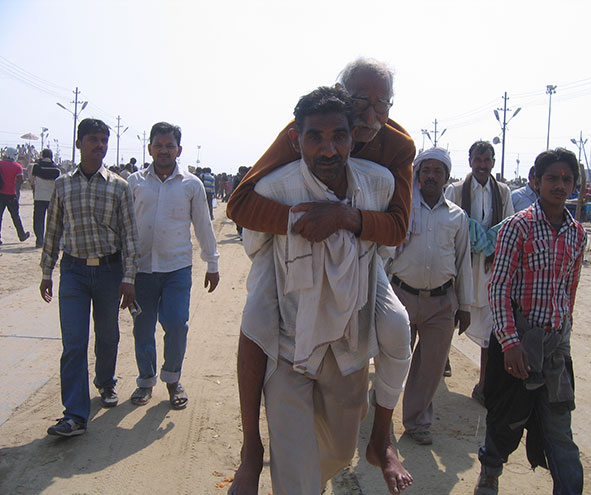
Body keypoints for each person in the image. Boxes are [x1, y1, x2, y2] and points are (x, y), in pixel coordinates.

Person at [227, 58, 415, 495]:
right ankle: (251, 452)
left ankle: (382, 437)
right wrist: (302, 221)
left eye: (381, 105)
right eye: (361, 103)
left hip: (362, 258)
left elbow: (398, 226)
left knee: (396, 326)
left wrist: (346, 217)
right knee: (256, 321)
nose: (371, 116)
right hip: (288, 258)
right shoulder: (299, 136)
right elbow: (240, 204)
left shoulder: (395, 153)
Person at [474, 148, 586, 495]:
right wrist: (510, 344)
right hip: (517, 346)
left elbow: (570, 288)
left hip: (553, 350)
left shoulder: (576, 233)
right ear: (536, 182)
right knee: (507, 422)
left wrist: (563, 335)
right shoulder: (516, 227)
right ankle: (490, 472)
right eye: (552, 178)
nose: (559, 185)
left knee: (559, 434)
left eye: (566, 179)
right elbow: (499, 287)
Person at [39, 118, 139, 437]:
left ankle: (106, 383)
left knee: (107, 335)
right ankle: (75, 414)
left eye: (103, 140)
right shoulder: (63, 184)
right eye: (93, 139)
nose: (99, 145)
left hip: (110, 271)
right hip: (73, 272)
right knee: (74, 343)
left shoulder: (119, 186)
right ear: (79, 143)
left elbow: (130, 235)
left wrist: (129, 278)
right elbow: (53, 230)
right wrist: (46, 272)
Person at [127, 122, 219, 409]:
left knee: (177, 324)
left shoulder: (191, 184)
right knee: (142, 328)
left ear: (178, 149)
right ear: (150, 148)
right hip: (141, 270)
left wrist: (212, 262)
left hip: (177, 269)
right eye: (159, 145)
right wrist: (124, 272)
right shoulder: (134, 182)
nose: (164, 150)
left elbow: (203, 225)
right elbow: (125, 227)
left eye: (170, 145)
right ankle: (145, 381)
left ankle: (172, 378)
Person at [387, 148, 473, 445]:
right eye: (427, 170)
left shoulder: (457, 216)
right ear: (418, 174)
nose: (432, 175)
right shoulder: (403, 208)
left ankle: (417, 423)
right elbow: (386, 255)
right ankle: (380, 420)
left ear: (447, 177)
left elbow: (463, 262)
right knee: (392, 360)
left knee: (431, 367)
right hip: (401, 296)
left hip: (442, 302)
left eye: (438, 171)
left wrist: (466, 306)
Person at [444, 141, 513, 406]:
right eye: (478, 160)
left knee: (489, 329)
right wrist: (471, 237)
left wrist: (487, 241)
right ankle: (442, 359)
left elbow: (507, 227)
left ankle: (483, 385)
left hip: (488, 269)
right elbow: (449, 224)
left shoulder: (503, 192)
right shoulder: (457, 190)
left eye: (487, 160)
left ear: (493, 162)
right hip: (460, 266)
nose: (483, 165)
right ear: (470, 160)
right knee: (449, 317)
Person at [0, 146, 30, 245]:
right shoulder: (17, 166)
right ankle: (21, 235)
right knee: (15, 216)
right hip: (11, 194)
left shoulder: (0, 164)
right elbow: (20, 180)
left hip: (1, 194)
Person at [31, 148, 61, 248]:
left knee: (38, 220)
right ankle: (52, 242)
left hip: (39, 197)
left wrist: (34, 191)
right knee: (52, 221)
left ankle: (39, 240)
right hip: (52, 198)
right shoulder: (56, 169)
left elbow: (31, 180)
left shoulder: (37, 167)